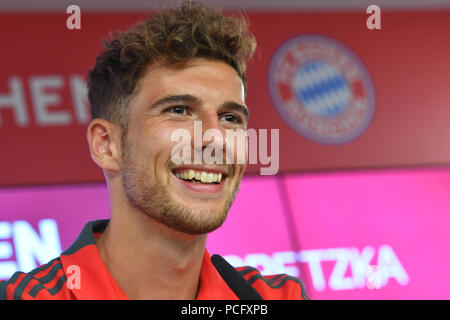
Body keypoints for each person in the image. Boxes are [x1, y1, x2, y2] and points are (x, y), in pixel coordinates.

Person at [0, 1, 309, 300]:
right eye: (178, 110)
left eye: (230, 118)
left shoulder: (277, 297)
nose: (216, 139)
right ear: (106, 145)